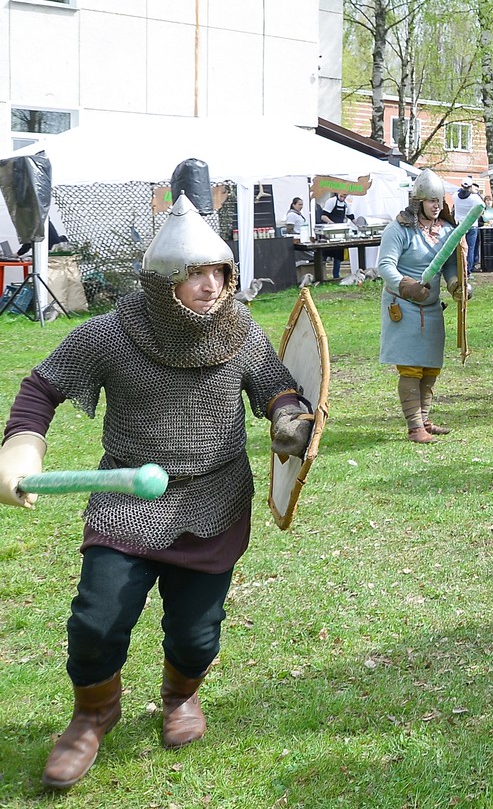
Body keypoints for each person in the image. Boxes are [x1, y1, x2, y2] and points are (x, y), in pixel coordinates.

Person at [1, 192, 311, 790]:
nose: (212, 285)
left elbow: (276, 385)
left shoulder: (240, 331)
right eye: (196, 273)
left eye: (219, 271)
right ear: (162, 279)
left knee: (197, 634)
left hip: (214, 499)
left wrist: (287, 415)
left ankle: (180, 696)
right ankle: (93, 713)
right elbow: (42, 388)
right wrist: (20, 447)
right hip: (129, 503)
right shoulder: (114, 335)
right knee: (96, 620)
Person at [378, 170, 467, 442]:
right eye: (430, 200)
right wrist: (407, 285)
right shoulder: (400, 229)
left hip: (431, 309)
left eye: (439, 200)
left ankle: (424, 419)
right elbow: (385, 266)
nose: (436, 205)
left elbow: (452, 266)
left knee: (430, 367)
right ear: (418, 201)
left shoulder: (447, 232)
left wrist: (456, 285)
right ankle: (414, 425)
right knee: (411, 367)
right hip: (402, 306)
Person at [316, 191, 351, 280]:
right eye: (342, 194)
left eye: (345, 195)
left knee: (338, 257)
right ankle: (321, 276)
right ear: (338, 193)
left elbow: (351, 216)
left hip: (339, 235)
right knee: (324, 255)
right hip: (328, 233)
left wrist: (361, 225)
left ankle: (336, 276)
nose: (344, 196)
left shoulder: (346, 205)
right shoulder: (331, 201)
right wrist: (333, 224)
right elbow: (323, 216)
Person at [453, 179, 485, 272]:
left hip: (459, 224)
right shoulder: (474, 198)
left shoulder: (455, 196)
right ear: (470, 187)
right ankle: (468, 271)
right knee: (470, 249)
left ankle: (459, 269)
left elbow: (458, 192)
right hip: (472, 225)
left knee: (460, 248)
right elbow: (482, 206)